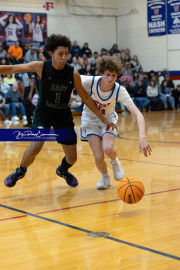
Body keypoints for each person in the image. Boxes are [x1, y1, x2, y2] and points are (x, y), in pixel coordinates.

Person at [1, 34, 116, 188]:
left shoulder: (72, 73)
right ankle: (20, 171)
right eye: (60, 54)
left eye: (66, 54)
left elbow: (87, 99)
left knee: (72, 158)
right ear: (51, 54)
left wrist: (104, 119)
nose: (64, 57)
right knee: (35, 146)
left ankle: (62, 170)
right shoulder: (41, 67)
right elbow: (12, 68)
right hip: (43, 113)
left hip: (63, 115)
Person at [80, 56, 152, 189]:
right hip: (90, 120)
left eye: (113, 75)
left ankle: (115, 161)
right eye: (107, 74)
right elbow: (70, 78)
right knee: (98, 157)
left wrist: (142, 137)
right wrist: (70, 94)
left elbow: (138, 114)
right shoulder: (89, 81)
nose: (110, 78)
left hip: (109, 119)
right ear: (101, 72)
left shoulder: (119, 90)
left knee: (108, 149)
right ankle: (105, 177)